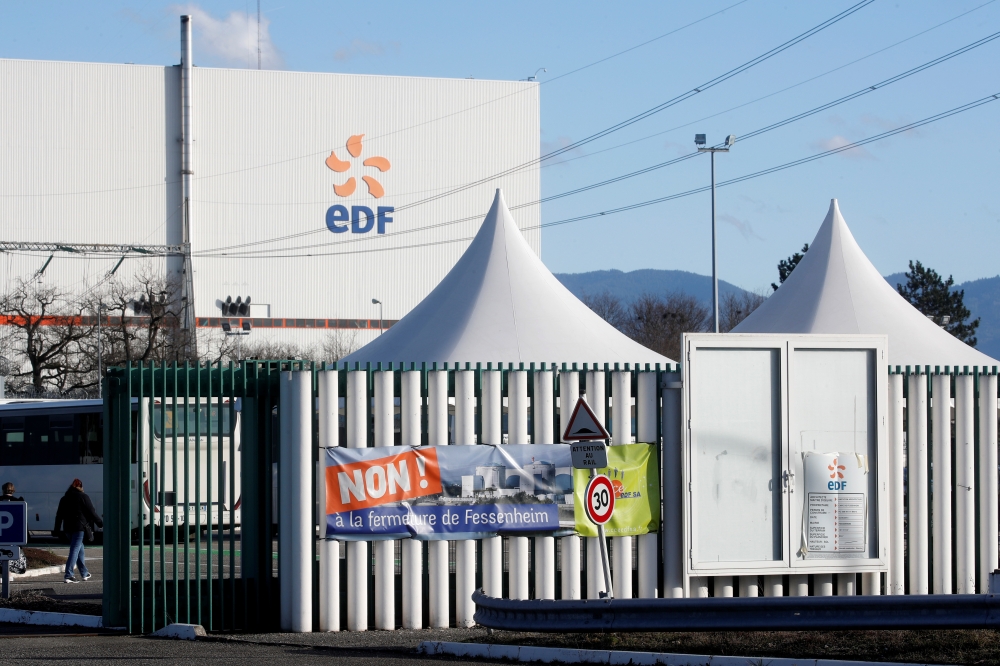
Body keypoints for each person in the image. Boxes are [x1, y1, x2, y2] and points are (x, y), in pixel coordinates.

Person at [53, 479, 102, 584]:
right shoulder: (83, 497)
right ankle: (69, 575)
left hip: (67, 528)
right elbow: (91, 512)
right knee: (75, 549)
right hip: (79, 528)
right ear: (81, 487)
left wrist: (56, 529)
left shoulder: (64, 498)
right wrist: (100, 523)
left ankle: (84, 573)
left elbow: (59, 515)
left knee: (80, 549)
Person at [0, 482, 27, 574]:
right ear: (13, 490)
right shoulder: (18, 502)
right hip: (14, 537)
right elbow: (22, 522)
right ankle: (8, 573)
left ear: (3, 490)